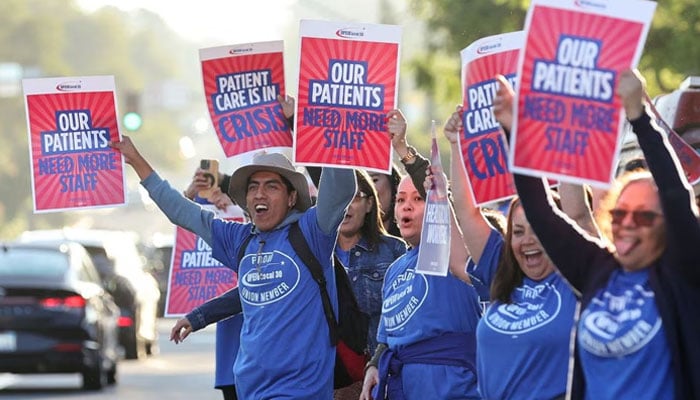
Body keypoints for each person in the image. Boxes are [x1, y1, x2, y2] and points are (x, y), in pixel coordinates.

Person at [110, 137, 356, 399]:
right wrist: (136, 160)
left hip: (301, 391)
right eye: (253, 187)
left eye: (271, 186)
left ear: (292, 197)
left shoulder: (312, 232)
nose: (259, 194)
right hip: (248, 390)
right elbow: (181, 211)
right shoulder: (239, 239)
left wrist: (327, 132)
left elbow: (340, 188)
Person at [510, 69, 700, 399]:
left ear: (665, 224)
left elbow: (674, 193)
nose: (628, 223)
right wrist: (515, 133)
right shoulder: (598, 270)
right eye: (619, 213)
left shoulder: (683, 273)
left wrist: (638, 116)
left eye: (643, 216)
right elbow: (541, 211)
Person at [444, 102, 596, 399]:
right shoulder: (500, 274)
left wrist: (563, 129)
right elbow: (467, 211)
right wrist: (457, 144)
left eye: (539, 230)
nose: (527, 240)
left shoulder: (580, 279)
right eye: (517, 231)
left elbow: (577, 213)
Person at [360, 172, 483, 399]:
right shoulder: (394, 270)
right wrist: (375, 365)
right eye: (400, 200)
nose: (407, 207)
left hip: (454, 386)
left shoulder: (451, 251)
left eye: (418, 199)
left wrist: (404, 152)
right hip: (406, 387)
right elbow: (386, 338)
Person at [175, 168, 244, 400]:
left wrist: (238, 211)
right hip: (232, 356)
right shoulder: (215, 216)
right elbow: (186, 227)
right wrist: (189, 195)